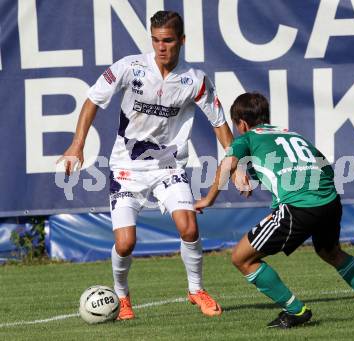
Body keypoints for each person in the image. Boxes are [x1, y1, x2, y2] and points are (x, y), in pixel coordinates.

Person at [59, 11, 231, 319]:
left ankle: (196, 290)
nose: (161, 47)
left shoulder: (195, 80)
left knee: (189, 227)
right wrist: (77, 144)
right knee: (125, 244)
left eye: (167, 40)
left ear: (181, 41)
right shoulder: (130, 67)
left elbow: (220, 124)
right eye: (155, 40)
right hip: (127, 167)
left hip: (168, 165)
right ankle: (122, 297)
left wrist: (239, 163)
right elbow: (92, 101)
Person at [195, 92, 354, 328]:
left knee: (242, 258)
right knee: (331, 252)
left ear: (242, 124)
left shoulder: (246, 138)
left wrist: (208, 199)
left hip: (298, 207)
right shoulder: (292, 134)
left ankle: (296, 310)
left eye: (238, 126)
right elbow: (324, 168)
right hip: (329, 201)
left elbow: (227, 163)